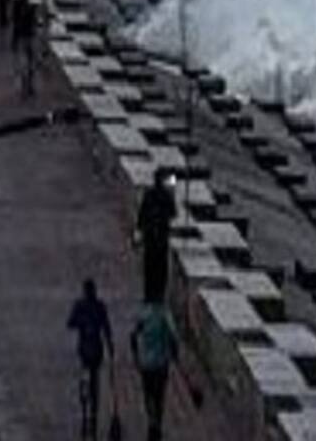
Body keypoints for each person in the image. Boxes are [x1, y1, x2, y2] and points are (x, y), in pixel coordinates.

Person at [65, 279, 114, 440]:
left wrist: (81, 324)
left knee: (88, 381)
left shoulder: (82, 306)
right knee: (93, 382)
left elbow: (70, 323)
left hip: (87, 350)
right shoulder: (98, 306)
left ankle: (88, 411)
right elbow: (106, 328)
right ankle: (91, 411)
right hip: (92, 350)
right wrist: (110, 346)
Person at [130, 300, 179, 441]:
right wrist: (175, 354)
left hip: (146, 363)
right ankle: (156, 422)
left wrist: (135, 356)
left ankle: (152, 420)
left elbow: (133, 335)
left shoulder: (144, 314)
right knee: (159, 396)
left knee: (148, 394)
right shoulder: (165, 315)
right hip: (161, 363)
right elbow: (173, 338)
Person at [135, 169, 176, 303]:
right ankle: (159, 295)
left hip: (150, 237)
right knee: (161, 267)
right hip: (162, 237)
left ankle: (149, 294)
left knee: (149, 266)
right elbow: (173, 213)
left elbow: (141, 215)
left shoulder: (149, 194)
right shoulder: (166, 196)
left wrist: (139, 231)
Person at [10, 0, 38, 97]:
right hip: (28, 36)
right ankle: (28, 86)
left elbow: (16, 24)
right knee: (29, 63)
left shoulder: (19, 9)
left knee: (25, 64)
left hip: (24, 37)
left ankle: (26, 86)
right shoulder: (30, 9)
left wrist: (14, 40)